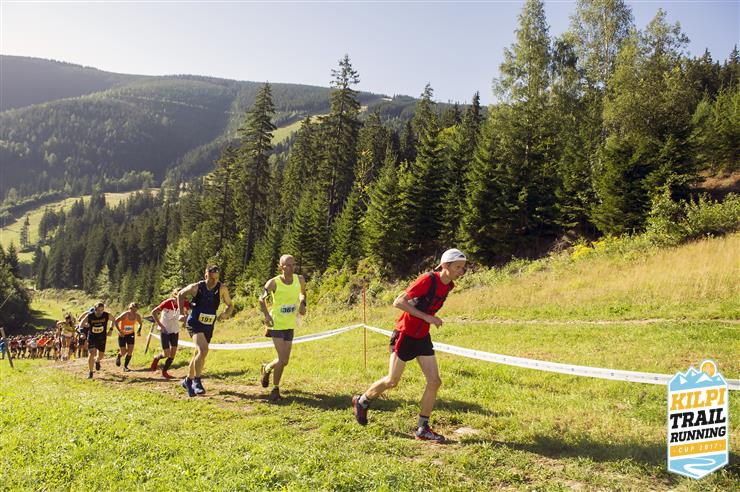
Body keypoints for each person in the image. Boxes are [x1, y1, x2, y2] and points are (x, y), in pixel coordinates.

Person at [352, 248, 467, 442]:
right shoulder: (428, 279)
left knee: (434, 382)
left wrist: (427, 320)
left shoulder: (449, 286)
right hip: (405, 334)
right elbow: (398, 302)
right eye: (457, 267)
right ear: (445, 266)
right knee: (392, 381)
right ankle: (362, 401)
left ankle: (422, 428)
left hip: (422, 336)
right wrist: (427, 317)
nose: (461, 271)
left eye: (463, 268)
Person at [178, 265, 233, 397]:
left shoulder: (222, 288)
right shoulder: (196, 287)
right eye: (211, 278)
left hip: (209, 325)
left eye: (216, 278)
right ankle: (196, 381)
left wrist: (226, 313)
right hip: (194, 322)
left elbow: (230, 304)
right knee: (203, 350)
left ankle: (188, 380)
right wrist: (181, 313)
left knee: (199, 354)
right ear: (206, 275)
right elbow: (180, 294)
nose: (214, 281)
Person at [258, 254, 306, 402]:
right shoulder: (273, 283)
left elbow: (302, 294)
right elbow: (261, 299)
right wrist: (267, 316)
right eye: (287, 265)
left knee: (284, 361)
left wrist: (303, 303)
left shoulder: (300, 279)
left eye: (293, 265)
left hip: (289, 325)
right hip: (276, 324)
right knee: (283, 358)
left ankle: (267, 368)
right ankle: (275, 389)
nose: (291, 268)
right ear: (281, 267)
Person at [150, 288, 189, 379]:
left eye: (183, 297)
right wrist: (160, 325)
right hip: (165, 329)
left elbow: (185, 315)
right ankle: (156, 358)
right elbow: (154, 312)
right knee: (166, 353)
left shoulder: (185, 303)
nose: (181, 299)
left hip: (174, 330)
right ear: (175, 295)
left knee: (173, 353)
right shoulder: (167, 302)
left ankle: (164, 372)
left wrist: (186, 319)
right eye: (179, 297)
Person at [82, 302, 113, 379]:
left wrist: (111, 330)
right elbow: (81, 323)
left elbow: (114, 320)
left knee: (101, 356)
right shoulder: (90, 316)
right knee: (92, 353)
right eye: (98, 310)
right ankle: (90, 372)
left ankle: (97, 361)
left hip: (102, 337)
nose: (100, 312)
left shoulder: (106, 315)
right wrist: (84, 329)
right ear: (95, 309)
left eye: (101, 310)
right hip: (92, 337)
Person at [113, 303, 142, 372]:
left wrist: (139, 330)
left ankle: (125, 367)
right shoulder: (125, 314)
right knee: (123, 352)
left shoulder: (137, 316)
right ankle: (119, 355)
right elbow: (116, 321)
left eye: (135, 309)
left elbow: (140, 324)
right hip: (122, 335)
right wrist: (120, 331)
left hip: (131, 334)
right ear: (129, 308)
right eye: (132, 309)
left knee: (130, 351)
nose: (133, 310)